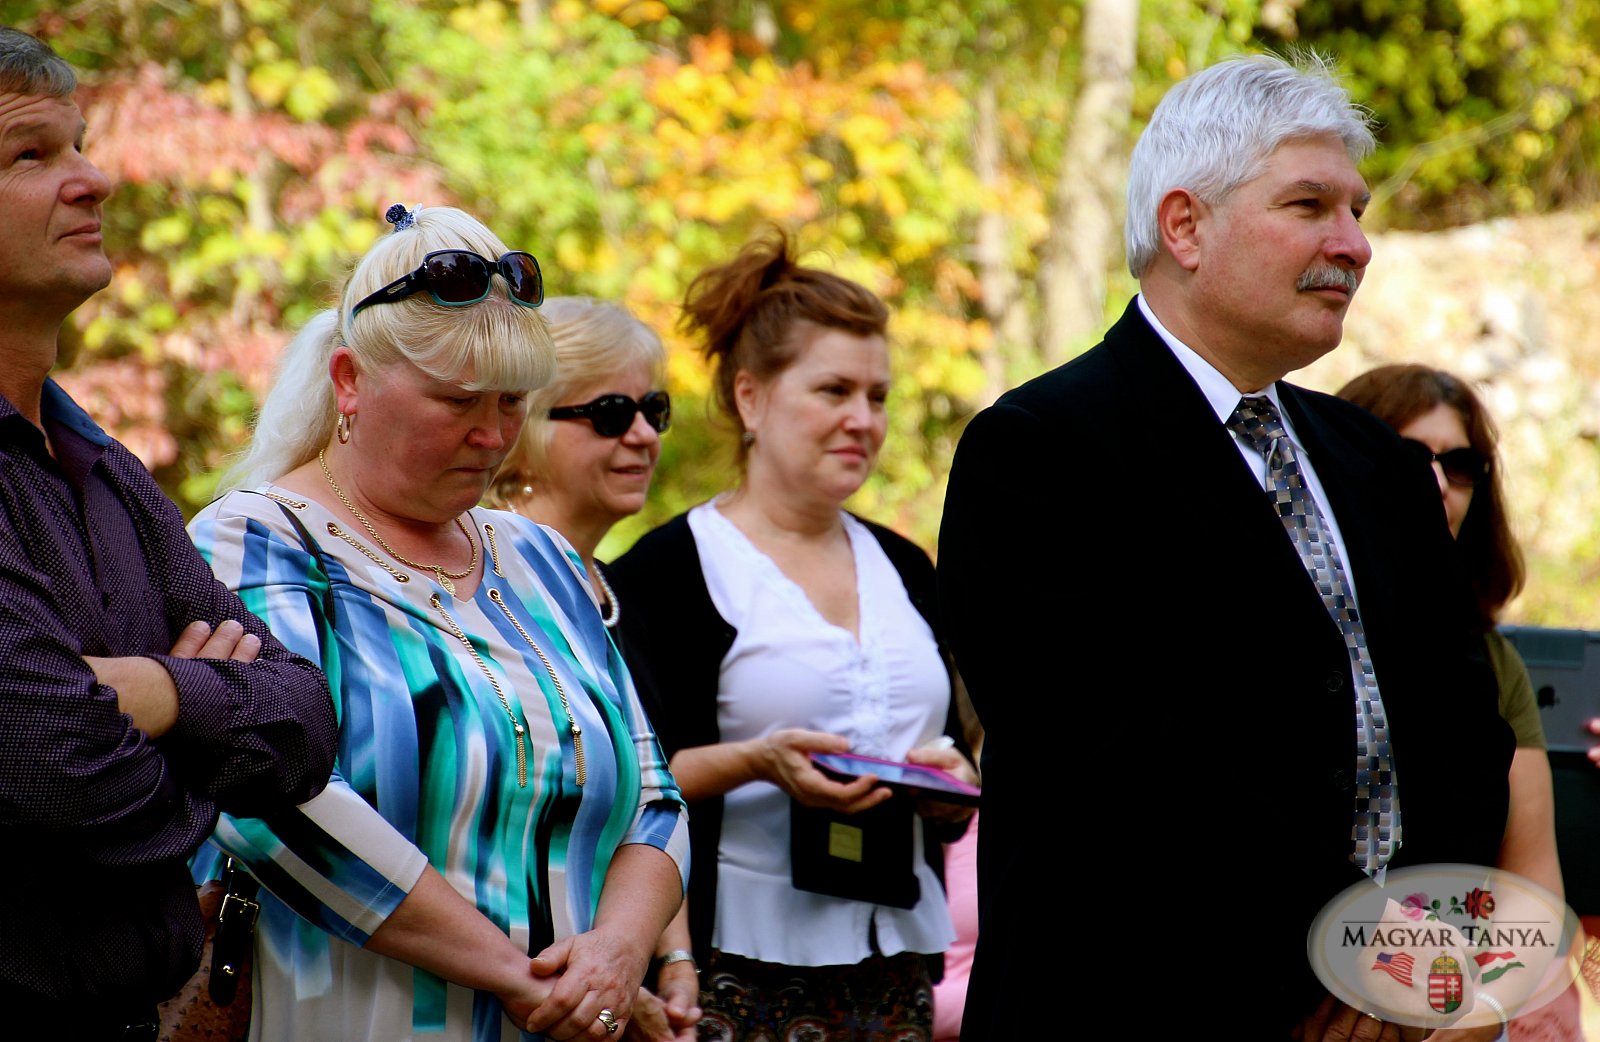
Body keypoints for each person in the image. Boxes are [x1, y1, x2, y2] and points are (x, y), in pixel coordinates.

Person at [937, 52, 1513, 1040]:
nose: (1353, 244)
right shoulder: (1040, 452)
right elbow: (1118, 762)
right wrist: (1344, 957)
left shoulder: (1371, 459)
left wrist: (1413, 955)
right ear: (1184, 225)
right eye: (1309, 205)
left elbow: (1463, 724)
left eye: (1358, 210)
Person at [186, 205, 689, 1042]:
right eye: (455, 400)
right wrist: (517, 979)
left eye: (512, 401)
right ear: (349, 380)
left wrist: (619, 953)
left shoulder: (541, 558)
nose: (491, 435)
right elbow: (270, 794)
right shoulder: (256, 542)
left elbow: (655, 794)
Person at [0, 26, 339, 1038]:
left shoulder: (103, 467)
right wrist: (203, 735)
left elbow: (305, 725)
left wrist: (144, 688)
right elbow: (54, 759)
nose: (94, 178)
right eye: (31, 154)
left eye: (81, 144)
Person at [607, 230, 977, 1042]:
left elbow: (949, 736)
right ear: (751, 399)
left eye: (877, 397)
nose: (862, 420)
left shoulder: (906, 564)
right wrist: (757, 761)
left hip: (900, 965)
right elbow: (623, 778)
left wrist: (951, 779)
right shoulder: (668, 572)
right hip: (733, 966)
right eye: (834, 390)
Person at [484, 295, 700, 1042]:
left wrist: (671, 959)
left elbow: (651, 797)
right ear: (522, 430)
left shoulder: (621, 594)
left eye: (655, 409)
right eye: (610, 413)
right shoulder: (484, 589)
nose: (643, 435)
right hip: (522, 981)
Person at [1338, 363, 1561, 899]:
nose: (1436, 482)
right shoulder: (1291, 625)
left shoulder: (1490, 659)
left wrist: (1483, 987)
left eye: (1459, 464)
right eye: (1410, 456)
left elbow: (1533, 895)